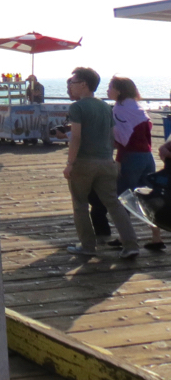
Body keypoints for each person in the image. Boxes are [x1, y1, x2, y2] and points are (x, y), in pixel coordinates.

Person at [64, 67, 139, 258]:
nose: (70, 87)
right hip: (106, 162)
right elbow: (111, 136)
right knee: (113, 204)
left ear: (84, 84)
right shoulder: (106, 107)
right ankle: (131, 245)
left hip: (84, 162)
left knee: (80, 204)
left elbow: (76, 137)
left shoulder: (77, 107)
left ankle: (88, 245)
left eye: (72, 83)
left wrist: (70, 163)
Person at [109, 76, 163, 250]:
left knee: (123, 197)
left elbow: (122, 138)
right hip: (147, 155)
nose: (108, 91)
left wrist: (117, 159)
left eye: (110, 87)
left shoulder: (120, 109)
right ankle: (156, 237)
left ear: (119, 90)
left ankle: (125, 237)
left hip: (131, 157)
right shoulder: (138, 107)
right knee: (147, 198)